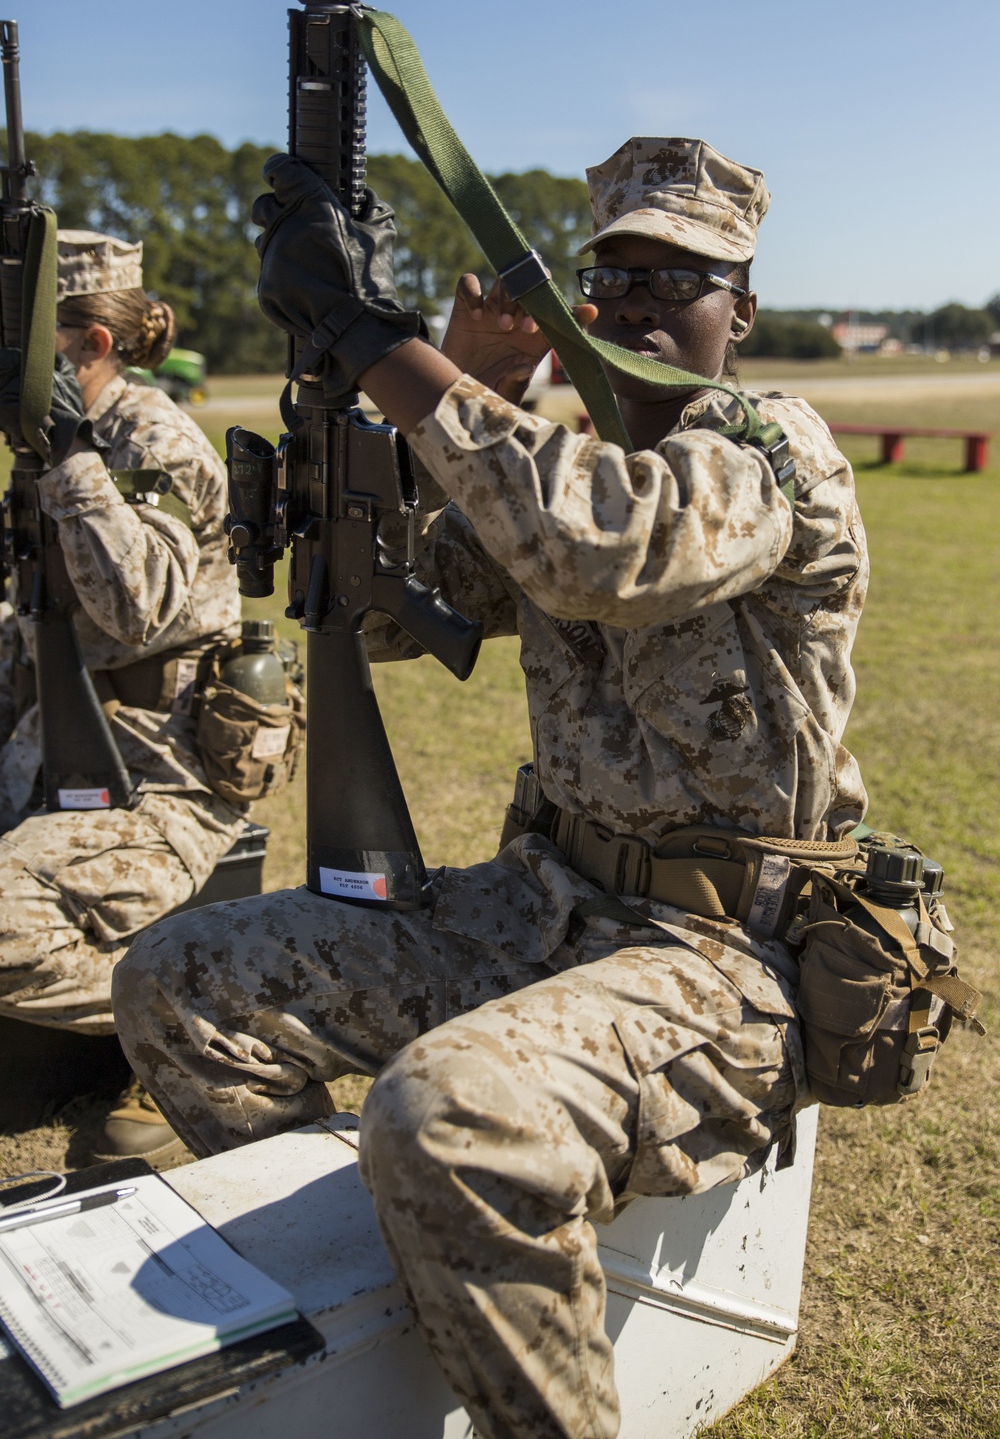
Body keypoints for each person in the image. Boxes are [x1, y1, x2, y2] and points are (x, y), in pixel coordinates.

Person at [113, 138, 868, 1437]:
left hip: (727, 959)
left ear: (738, 307)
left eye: (679, 275)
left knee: (447, 1113)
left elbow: (599, 548)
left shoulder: (764, 449)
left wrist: (388, 344)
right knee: (181, 983)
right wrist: (383, 437)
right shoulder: (551, 454)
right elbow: (407, 608)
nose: (637, 300)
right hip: (543, 911)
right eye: (614, 271)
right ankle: (364, 1334)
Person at [0, 229, 245, 1167]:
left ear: (89, 347)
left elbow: (136, 609)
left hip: (156, 779)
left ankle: (186, 1017)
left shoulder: (151, 440)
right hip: (45, 751)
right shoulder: (34, 446)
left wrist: (71, 455)